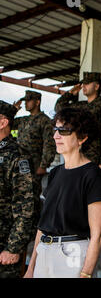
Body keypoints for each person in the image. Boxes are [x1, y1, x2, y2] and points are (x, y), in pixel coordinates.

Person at [24, 108, 101, 278]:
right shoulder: (55, 173)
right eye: (55, 130)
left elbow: (98, 234)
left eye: (63, 131)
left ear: (82, 137)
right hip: (44, 251)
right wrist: (31, 268)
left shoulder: (93, 175)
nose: (56, 136)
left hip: (73, 255)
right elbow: (43, 226)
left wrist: (85, 274)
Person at [0, 101, 35, 278]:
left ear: (3, 123)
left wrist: (13, 248)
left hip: (4, 246)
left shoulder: (18, 156)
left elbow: (25, 206)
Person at [55, 72, 101, 171]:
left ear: (96, 86)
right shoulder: (80, 106)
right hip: (78, 154)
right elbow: (59, 108)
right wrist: (70, 93)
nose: (83, 86)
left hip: (94, 155)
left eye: (87, 83)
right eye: (83, 84)